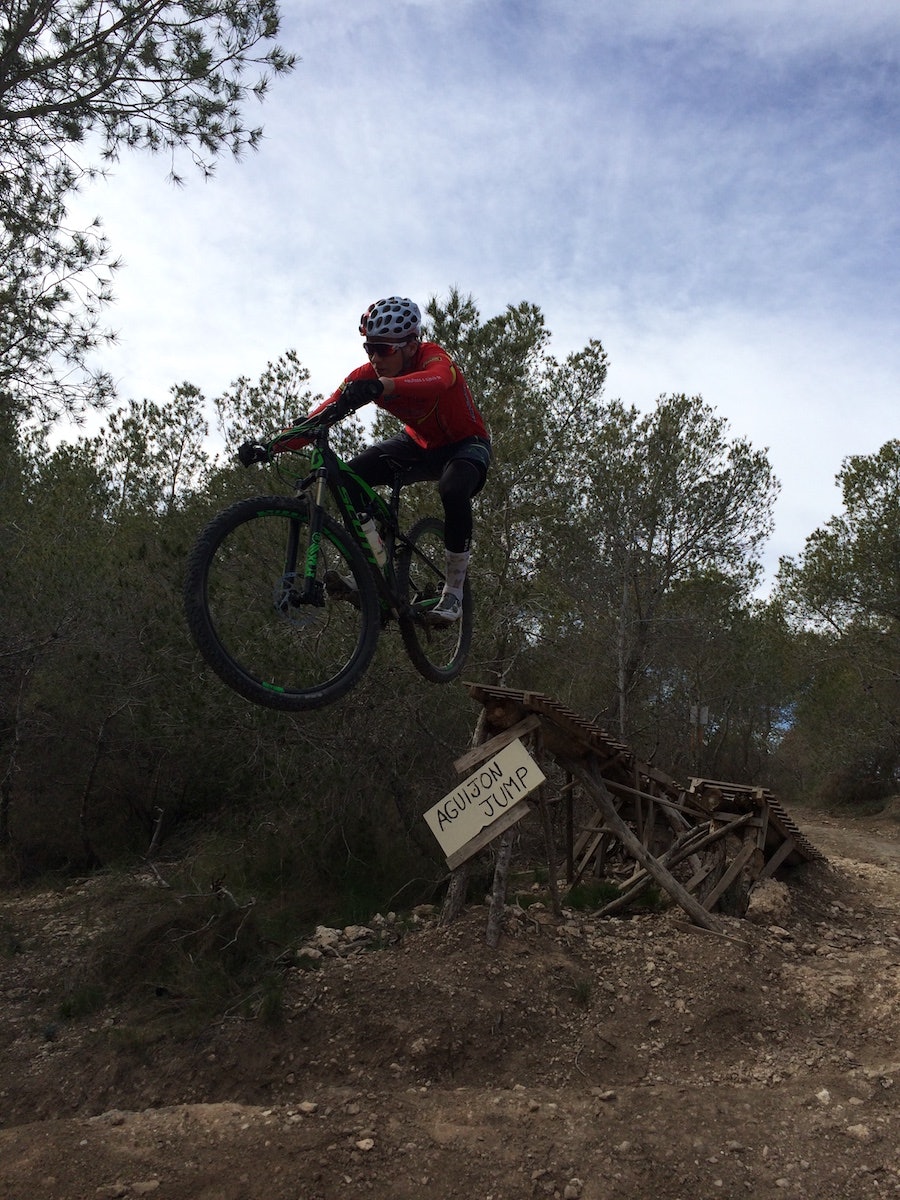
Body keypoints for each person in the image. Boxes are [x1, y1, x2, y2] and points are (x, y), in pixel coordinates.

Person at [283, 296, 491, 623]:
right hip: (417, 443)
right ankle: (374, 563)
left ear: (410, 345)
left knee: (453, 490)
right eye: (370, 349)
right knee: (349, 476)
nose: (375, 358)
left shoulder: (432, 356)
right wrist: (272, 444)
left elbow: (440, 380)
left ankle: (453, 593)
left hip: (466, 443)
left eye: (384, 349)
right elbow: (320, 416)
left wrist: (385, 386)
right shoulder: (368, 374)